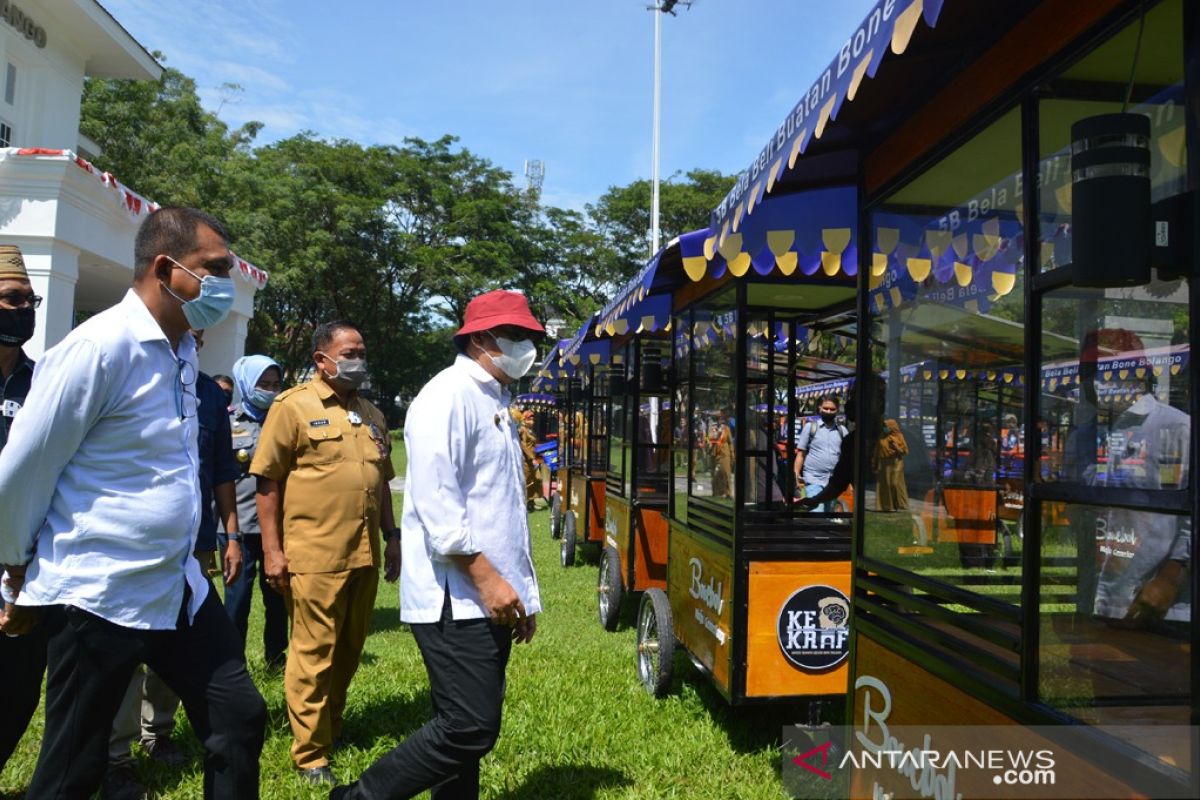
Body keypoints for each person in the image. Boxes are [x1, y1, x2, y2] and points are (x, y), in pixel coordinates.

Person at [0, 207, 266, 799]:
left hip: (175, 590)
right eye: (214, 269)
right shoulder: (98, 348)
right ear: (166, 269)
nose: (225, 282)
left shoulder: (183, 352)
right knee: (73, 769)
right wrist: (15, 568)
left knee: (238, 718)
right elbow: (23, 468)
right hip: (100, 592)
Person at [331, 289, 543, 800]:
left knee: (460, 726)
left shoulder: (496, 398)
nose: (526, 346)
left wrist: (523, 595)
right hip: (458, 595)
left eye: (529, 337)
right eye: (517, 336)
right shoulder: (446, 396)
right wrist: (489, 580)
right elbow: (438, 502)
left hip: (490, 594)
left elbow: (503, 509)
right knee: (470, 727)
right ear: (482, 340)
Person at [251, 319, 398, 786]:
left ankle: (331, 727)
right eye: (349, 352)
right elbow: (267, 481)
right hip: (313, 554)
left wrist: (392, 536)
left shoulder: (373, 415)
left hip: (364, 554)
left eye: (362, 351)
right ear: (322, 359)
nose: (358, 360)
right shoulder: (293, 408)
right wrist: (272, 552)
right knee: (314, 651)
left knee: (349, 650)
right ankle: (310, 753)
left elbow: (383, 482)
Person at [104, 326, 245, 799]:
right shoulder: (128, 376)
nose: (196, 338)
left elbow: (223, 469)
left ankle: (157, 733)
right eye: (190, 328)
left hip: (195, 545)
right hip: (132, 549)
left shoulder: (207, 393)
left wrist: (231, 535)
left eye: (201, 333)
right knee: (128, 652)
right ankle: (115, 754)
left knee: (175, 647)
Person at [0, 244, 48, 773]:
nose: (24, 309)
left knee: (17, 690)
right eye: (11, 298)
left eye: (29, 299)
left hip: (24, 565)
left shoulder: (44, 380)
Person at [223, 354, 288, 669]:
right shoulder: (229, 421)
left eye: (276, 384)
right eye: (264, 384)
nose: (271, 390)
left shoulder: (285, 419)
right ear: (248, 383)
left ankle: (277, 658)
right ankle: (233, 663)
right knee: (237, 598)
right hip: (240, 526)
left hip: (278, 527)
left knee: (277, 595)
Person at [794, 395, 848, 512]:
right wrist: (796, 476)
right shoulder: (810, 427)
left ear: (837, 410)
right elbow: (800, 454)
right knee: (816, 514)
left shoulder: (842, 431)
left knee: (828, 517)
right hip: (813, 480)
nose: (828, 411)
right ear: (819, 408)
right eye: (826, 408)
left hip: (834, 483)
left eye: (832, 409)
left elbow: (846, 458)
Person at [873, 418, 909, 512]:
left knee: (894, 483)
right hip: (884, 463)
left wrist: (896, 447)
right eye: (884, 426)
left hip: (896, 462)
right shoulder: (881, 436)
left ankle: (899, 504)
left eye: (887, 426)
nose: (885, 428)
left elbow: (905, 450)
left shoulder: (899, 436)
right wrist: (875, 463)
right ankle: (887, 506)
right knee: (885, 485)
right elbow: (877, 451)